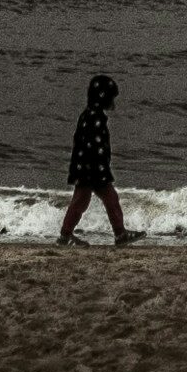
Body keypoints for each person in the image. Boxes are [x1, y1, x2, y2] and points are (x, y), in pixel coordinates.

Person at [57, 73, 133, 247]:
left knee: (97, 199)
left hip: (89, 168)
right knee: (89, 200)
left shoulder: (89, 115)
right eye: (111, 98)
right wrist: (100, 168)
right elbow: (93, 146)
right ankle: (66, 236)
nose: (113, 102)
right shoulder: (94, 117)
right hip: (92, 169)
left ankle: (119, 234)